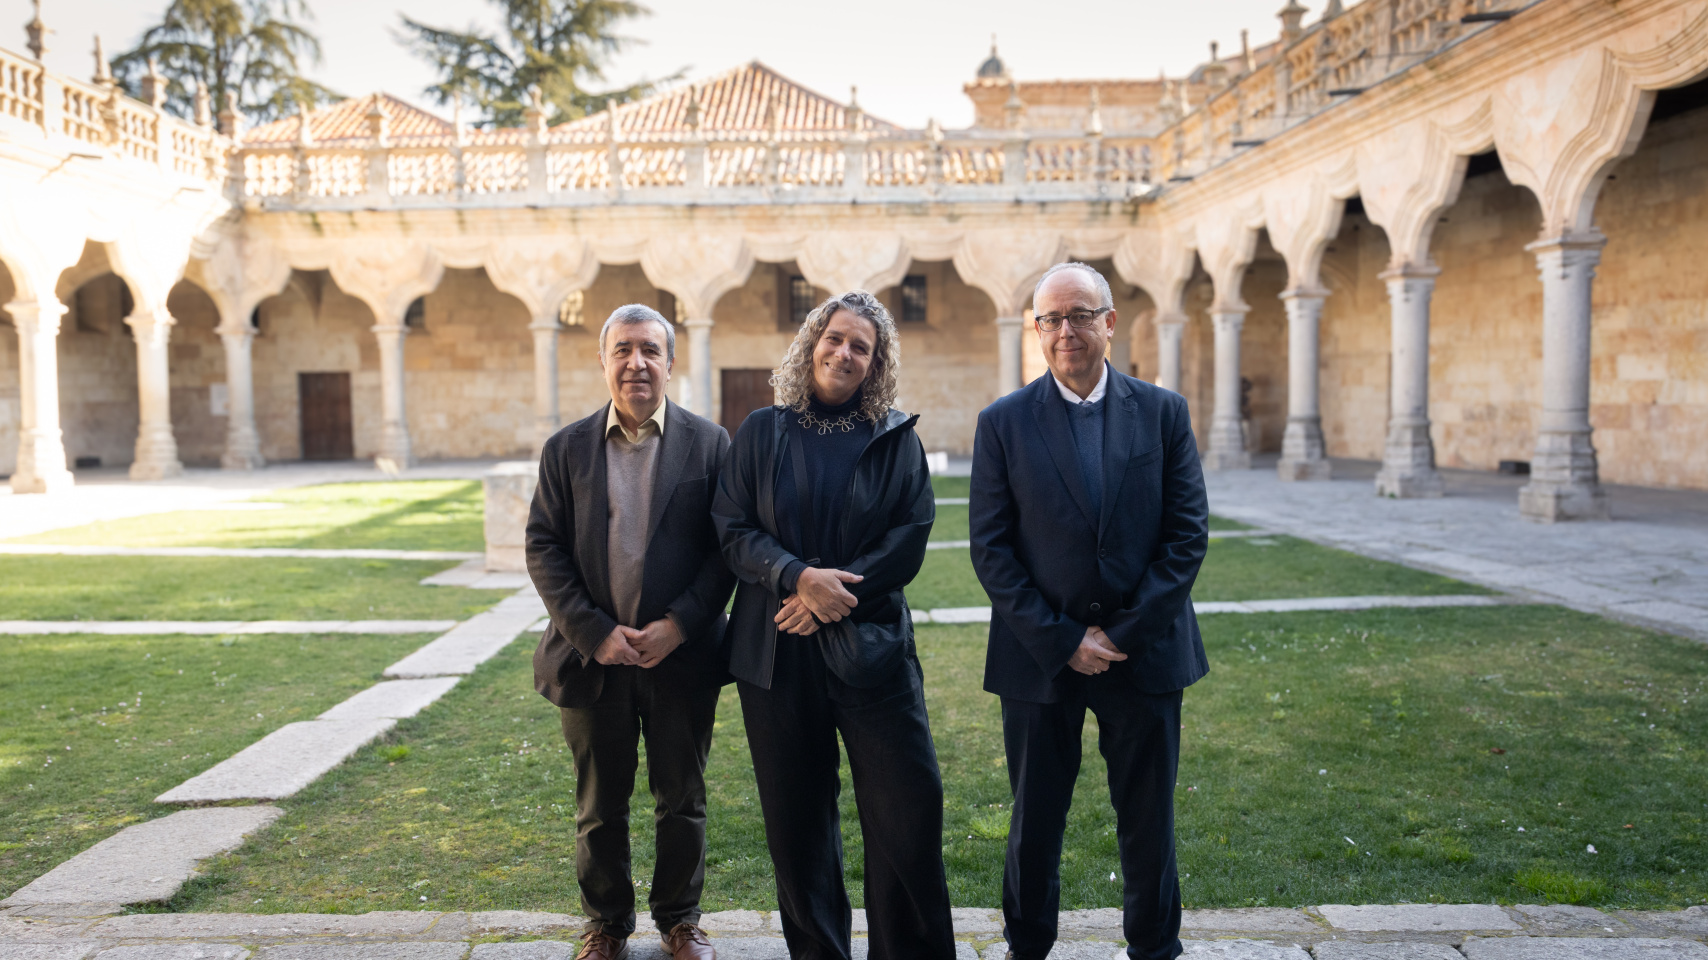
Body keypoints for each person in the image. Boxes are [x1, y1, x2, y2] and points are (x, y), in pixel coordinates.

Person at [969, 262, 1210, 960]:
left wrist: (1122, 634)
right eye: (1051, 319)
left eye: (1080, 315)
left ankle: (1155, 949)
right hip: (1040, 656)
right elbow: (992, 550)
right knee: (1035, 819)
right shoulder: (1002, 423)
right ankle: (1029, 946)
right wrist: (1065, 639)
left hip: (1147, 652)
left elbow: (1186, 533)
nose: (1065, 331)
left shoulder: (1164, 413)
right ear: (1036, 331)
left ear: (1109, 322)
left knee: (1148, 819)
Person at [711, 290, 954, 960]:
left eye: (861, 347)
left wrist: (829, 595)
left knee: (908, 809)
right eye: (835, 338)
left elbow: (909, 538)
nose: (844, 354)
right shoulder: (761, 430)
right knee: (798, 825)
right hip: (776, 655)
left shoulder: (896, 437)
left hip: (873, 650)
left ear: (875, 365)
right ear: (812, 341)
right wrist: (795, 577)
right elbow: (732, 528)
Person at [527, 304, 736, 960]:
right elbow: (543, 546)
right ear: (603, 360)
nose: (636, 362)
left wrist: (678, 626)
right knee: (599, 806)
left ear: (671, 363)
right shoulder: (566, 449)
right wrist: (594, 633)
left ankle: (681, 920)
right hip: (596, 662)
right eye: (623, 349)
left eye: (650, 350)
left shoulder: (710, 445)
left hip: (681, 660)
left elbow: (725, 550)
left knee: (683, 799)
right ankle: (606, 925)